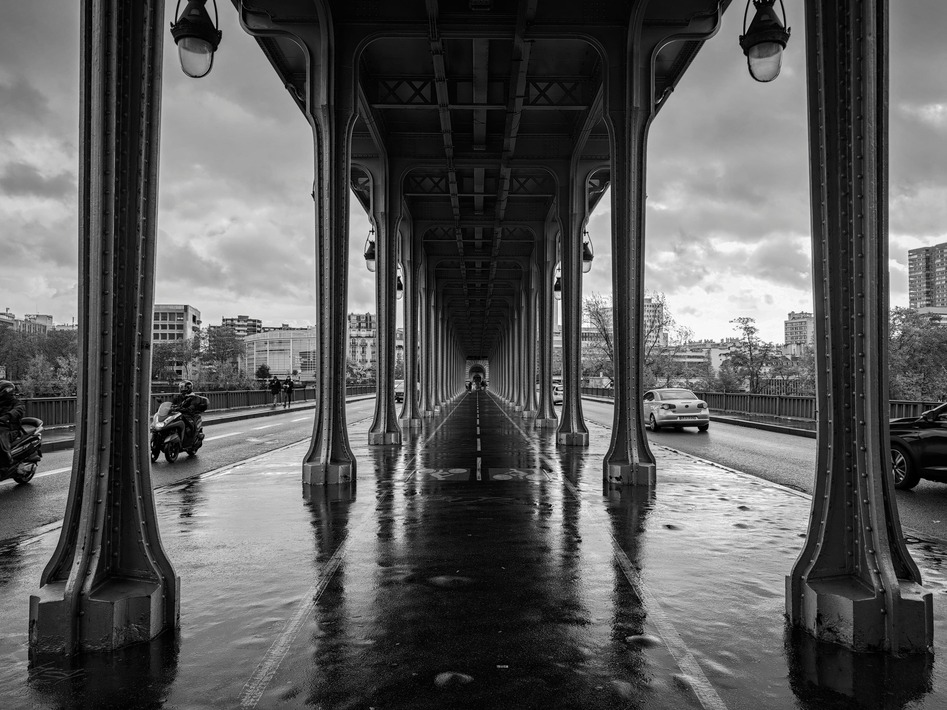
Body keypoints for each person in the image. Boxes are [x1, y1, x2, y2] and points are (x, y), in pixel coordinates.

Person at [0, 380, 26, 467]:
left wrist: (7, 416)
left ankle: (7, 459)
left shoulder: (16, 403)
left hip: (11, 429)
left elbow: (18, 410)